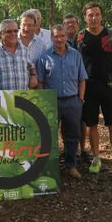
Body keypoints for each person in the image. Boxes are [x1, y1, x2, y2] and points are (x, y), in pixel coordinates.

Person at [77, 2, 112, 181]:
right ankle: (96, 158)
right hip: (88, 86)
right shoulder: (80, 36)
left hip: (109, 85)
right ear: (85, 17)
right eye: (90, 15)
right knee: (91, 124)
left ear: (101, 16)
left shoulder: (111, 35)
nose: (94, 18)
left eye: (96, 14)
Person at [36, 25, 87, 179]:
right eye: (56, 36)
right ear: (51, 38)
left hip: (73, 101)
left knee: (73, 135)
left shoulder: (75, 55)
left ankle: (71, 165)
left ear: (66, 37)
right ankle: (50, 167)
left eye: (62, 36)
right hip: (52, 102)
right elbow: (40, 82)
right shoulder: (44, 57)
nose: (60, 39)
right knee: (49, 136)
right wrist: (44, 101)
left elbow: (82, 79)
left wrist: (80, 99)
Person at [0, 19, 38, 90]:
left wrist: (33, 75)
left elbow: (31, 66)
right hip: (2, 96)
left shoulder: (24, 50)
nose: (13, 34)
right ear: (1, 34)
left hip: (23, 95)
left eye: (15, 31)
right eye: (9, 31)